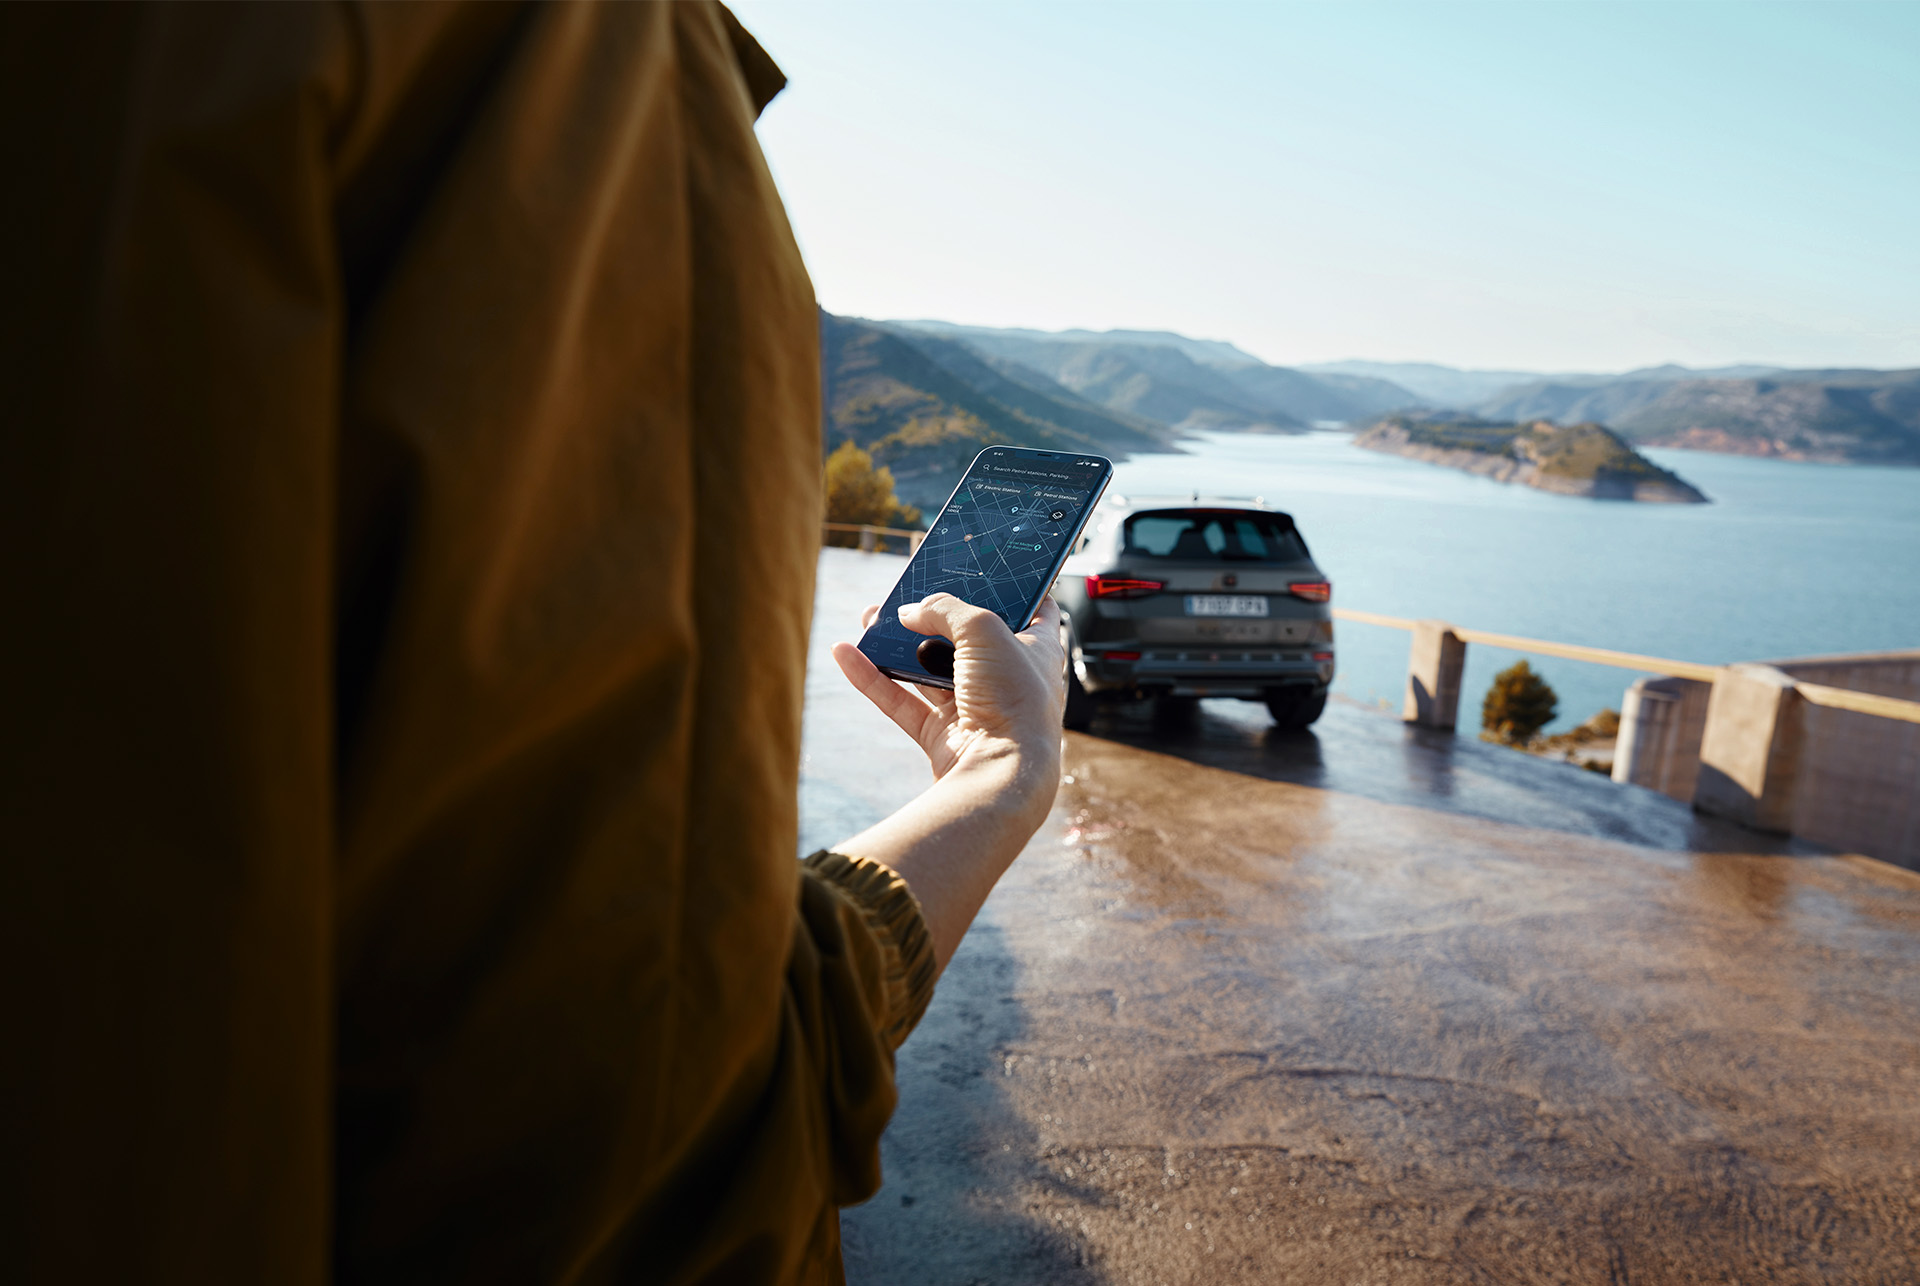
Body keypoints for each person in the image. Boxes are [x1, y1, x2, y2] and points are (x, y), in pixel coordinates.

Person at [0, 4, 1061, 1283]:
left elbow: (640, 1046)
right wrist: (1003, 784)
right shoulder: (557, 65)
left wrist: (992, 787)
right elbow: (607, 1140)